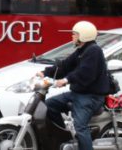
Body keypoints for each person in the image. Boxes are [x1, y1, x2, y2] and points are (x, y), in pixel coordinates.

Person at [37, 21, 110, 150]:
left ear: (84, 36)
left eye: (75, 34)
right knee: (48, 105)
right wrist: (45, 72)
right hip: (78, 93)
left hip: (91, 96)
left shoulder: (94, 51)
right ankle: (64, 137)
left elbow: (86, 73)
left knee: (80, 127)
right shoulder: (81, 50)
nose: (72, 36)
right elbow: (64, 66)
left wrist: (66, 80)